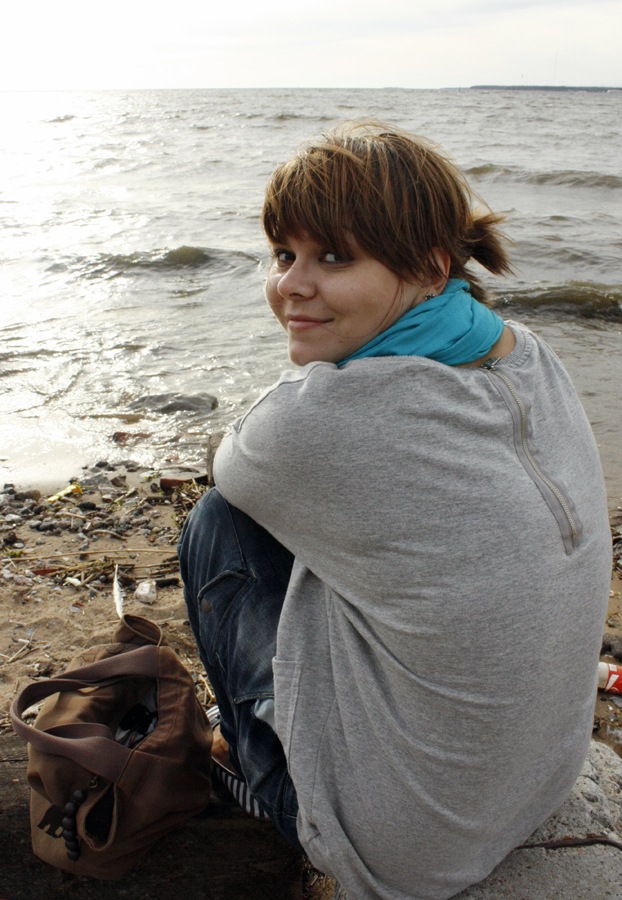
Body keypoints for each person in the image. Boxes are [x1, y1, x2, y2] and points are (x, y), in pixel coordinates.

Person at [178, 122, 612, 899]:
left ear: (431, 266)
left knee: (218, 522)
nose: (291, 285)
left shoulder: (323, 423)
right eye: (283, 255)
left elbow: (235, 465)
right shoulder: (527, 353)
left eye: (333, 258)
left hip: (395, 853)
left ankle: (250, 759)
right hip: (537, 787)